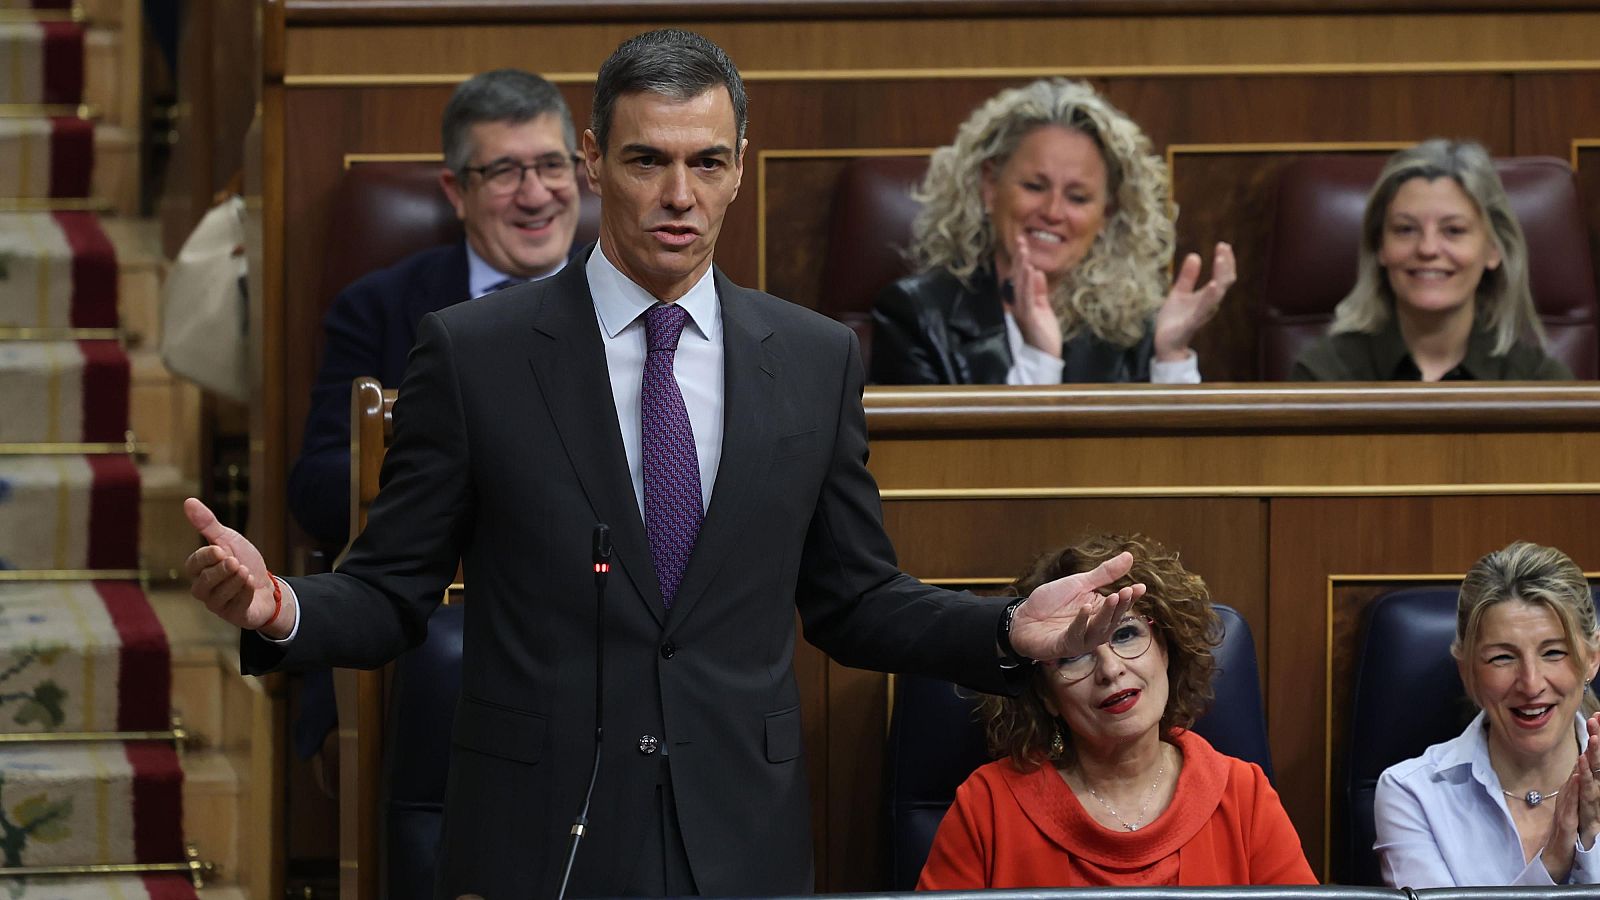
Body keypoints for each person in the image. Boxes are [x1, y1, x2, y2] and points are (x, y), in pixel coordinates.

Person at [184, 29, 1150, 899]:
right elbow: (394, 591)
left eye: (706, 162)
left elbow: (854, 599)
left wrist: (1007, 629)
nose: (679, 194)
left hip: (741, 833)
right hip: (540, 836)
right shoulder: (474, 353)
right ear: (596, 162)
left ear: (739, 170)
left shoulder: (812, 360)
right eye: (648, 160)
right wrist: (282, 607)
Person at [287, 68, 583, 550]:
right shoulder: (376, 307)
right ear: (456, 191)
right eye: (504, 172)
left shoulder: (632, 295)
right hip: (446, 595)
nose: (534, 196)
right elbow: (317, 487)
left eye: (552, 165)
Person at [918, 533, 1316, 889]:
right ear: (1045, 695)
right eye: (1073, 656)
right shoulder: (987, 805)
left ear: (1166, 649)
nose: (1110, 669)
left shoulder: (1243, 795)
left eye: (1126, 634)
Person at [870, 78, 1233, 386]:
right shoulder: (916, 315)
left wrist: (1169, 356)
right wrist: (1040, 359)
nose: (1053, 212)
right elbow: (943, 465)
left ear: (1106, 213)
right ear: (990, 187)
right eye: (1033, 186)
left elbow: (1168, 464)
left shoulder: (1132, 329)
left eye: (1077, 197)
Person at [1374, 541, 1600, 887]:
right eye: (1502, 658)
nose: (1531, 683)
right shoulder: (1413, 794)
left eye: (1554, 652)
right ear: (1467, 671)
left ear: (1592, 659)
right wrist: (1554, 860)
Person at [1292, 140, 1572, 381]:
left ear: (1493, 250)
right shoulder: (1324, 376)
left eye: (1453, 230)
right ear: (1380, 246)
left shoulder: (1539, 381)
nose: (1427, 249)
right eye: (1405, 229)